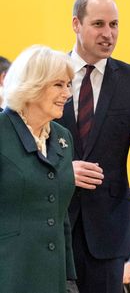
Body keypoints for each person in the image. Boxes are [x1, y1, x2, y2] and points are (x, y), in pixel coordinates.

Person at [56, 0, 130, 292]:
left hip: (108, 237)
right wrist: (64, 171)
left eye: (114, 24)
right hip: (51, 228)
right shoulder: (49, 75)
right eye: (98, 24)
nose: (109, 34)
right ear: (76, 24)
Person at [0, 45, 77, 293]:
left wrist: (68, 279)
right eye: (58, 85)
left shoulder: (63, 138)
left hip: (52, 278)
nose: (67, 93)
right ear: (32, 85)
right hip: (9, 274)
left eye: (68, 85)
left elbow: (60, 212)